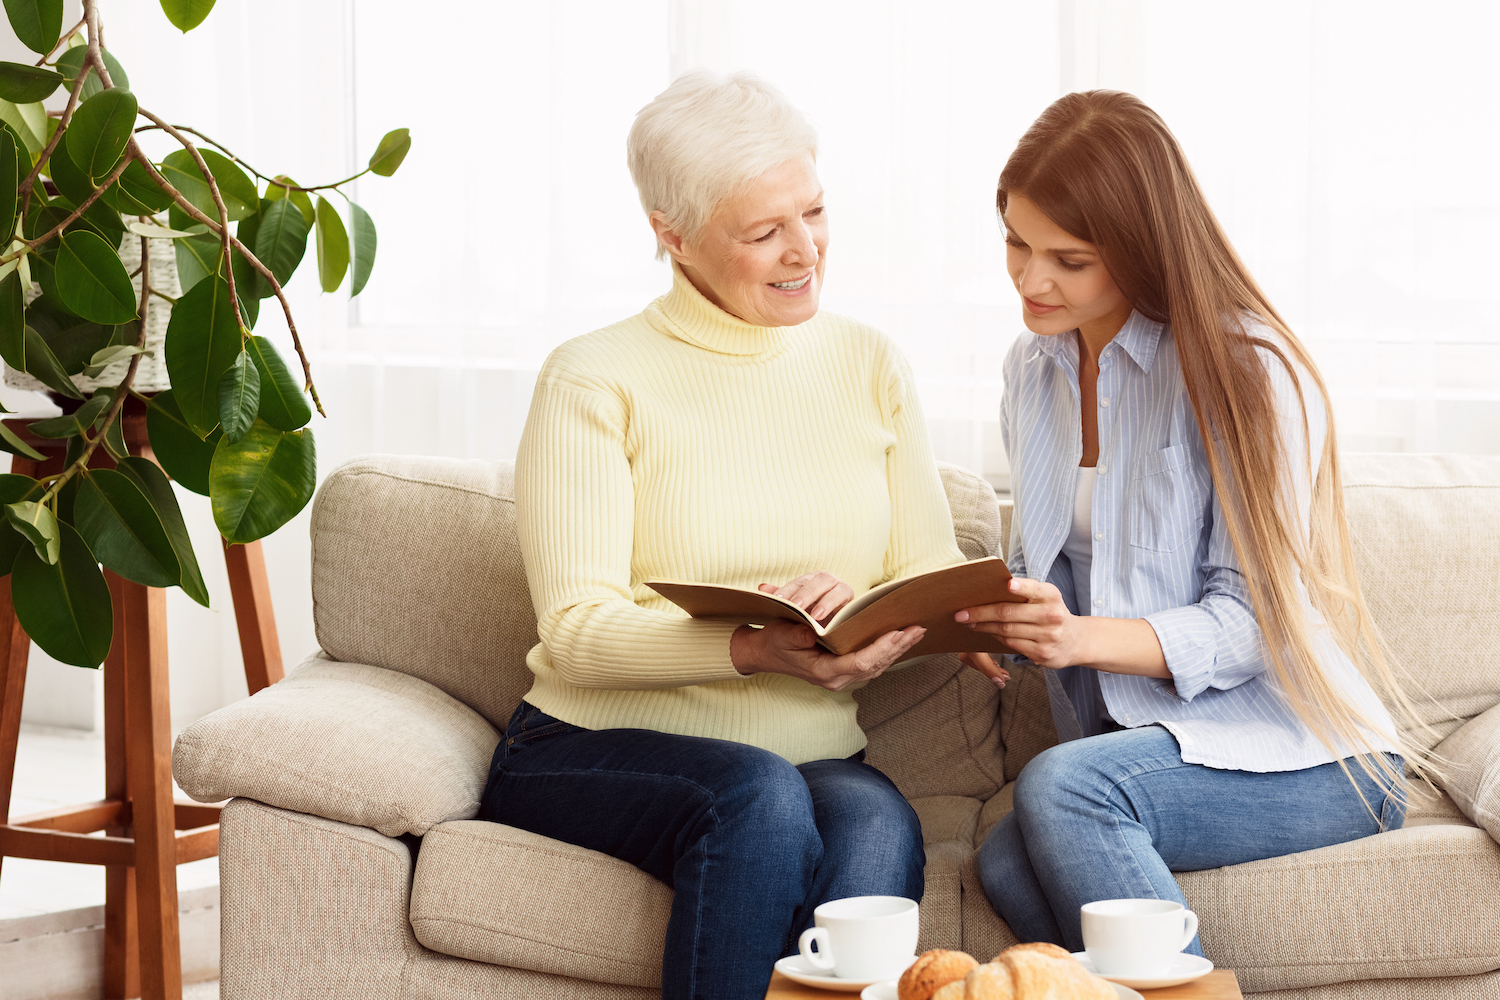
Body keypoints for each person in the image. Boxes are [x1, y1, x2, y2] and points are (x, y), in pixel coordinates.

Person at [479, 71, 978, 1000]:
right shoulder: (594, 379)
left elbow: (926, 567)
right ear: (671, 233)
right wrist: (753, 647)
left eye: (815, 211)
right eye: (763, 233)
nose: (806, 252)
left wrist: (892, 626)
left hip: (811, 749)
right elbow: (577, 631)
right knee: (756, 796)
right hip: (589, 745)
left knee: (877, 827)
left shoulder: (868, 363)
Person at [958, 90, 1424, 956]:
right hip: (1144, 747)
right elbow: (1056, 575)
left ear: (1141, 253)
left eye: (1069, 258)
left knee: (1062, 791)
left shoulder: (1249, 370)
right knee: (1006, 867)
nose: (1030, 280)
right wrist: (1003, 620)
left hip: (1306, 753)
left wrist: (1080, 640)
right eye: (1016, 242)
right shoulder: (1033, 368)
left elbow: (1255, 622)